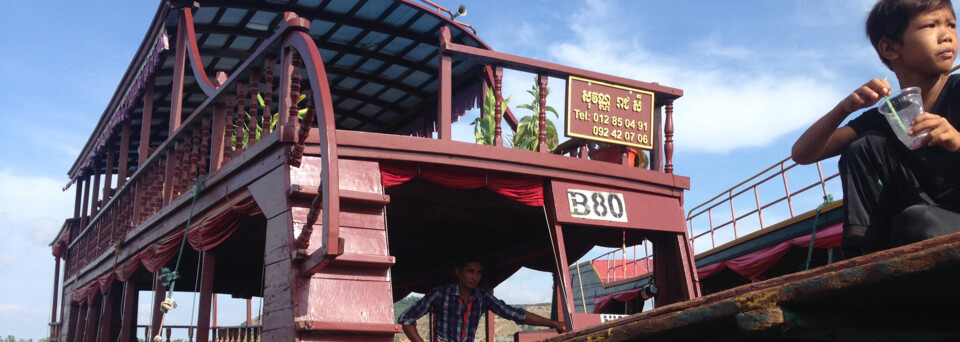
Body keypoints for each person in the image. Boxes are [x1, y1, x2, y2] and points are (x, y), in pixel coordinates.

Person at [792, 0, 960, 256]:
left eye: (951, 24)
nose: (947, 35)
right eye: (930, 25)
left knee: (917, 222)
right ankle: (864, 254)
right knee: (864, 145)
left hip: (940, 223)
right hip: (917, 222)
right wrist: (845, 108)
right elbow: (803, 154)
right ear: (890, 47)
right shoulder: (888, 116)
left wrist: (957, 140)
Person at [397, 259, 566, 342]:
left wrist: (554, 324)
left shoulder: (482, 298)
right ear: (458, 272)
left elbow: (514, 314)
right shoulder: (441, 294)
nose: (475, 277)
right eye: (471, 271)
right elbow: (406, 318)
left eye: (479, 273)